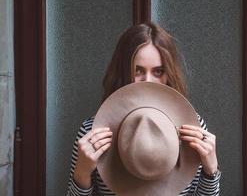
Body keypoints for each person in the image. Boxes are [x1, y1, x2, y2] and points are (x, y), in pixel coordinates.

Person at [67, 23, 221, 196]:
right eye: (138, 70)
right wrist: (82, 174)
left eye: (158, 71)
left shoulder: (194, 128)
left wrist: (211, 171)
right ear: (123, 71)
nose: (147, 80)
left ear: (169, 74)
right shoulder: (92, 132)